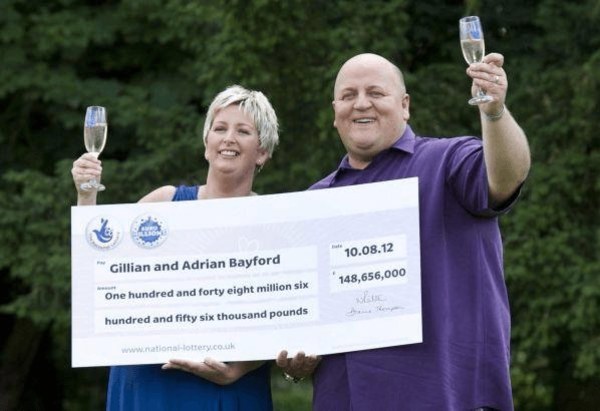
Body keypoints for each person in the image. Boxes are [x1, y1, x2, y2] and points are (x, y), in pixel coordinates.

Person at [276, 53, 531, 411]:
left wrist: (494, 113)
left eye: (375, 92)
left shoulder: (448, 160)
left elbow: (507, 176)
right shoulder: (316, 201)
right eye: (348, 95)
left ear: (405, 105)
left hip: (451, 397)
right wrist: (297, 360)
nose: (361, 103)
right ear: (335, 112)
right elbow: (305, 316)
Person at [72, 85, 279, 411]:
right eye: (220, 128)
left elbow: (288, 319)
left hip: (226, 388)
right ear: (206, 143)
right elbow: (97, 272)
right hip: (148, 384)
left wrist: (240, 367)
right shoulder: (163, 203)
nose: (228, 138)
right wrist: (86, 195)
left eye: (243, 131)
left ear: (263, 151)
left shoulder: (276, 222)